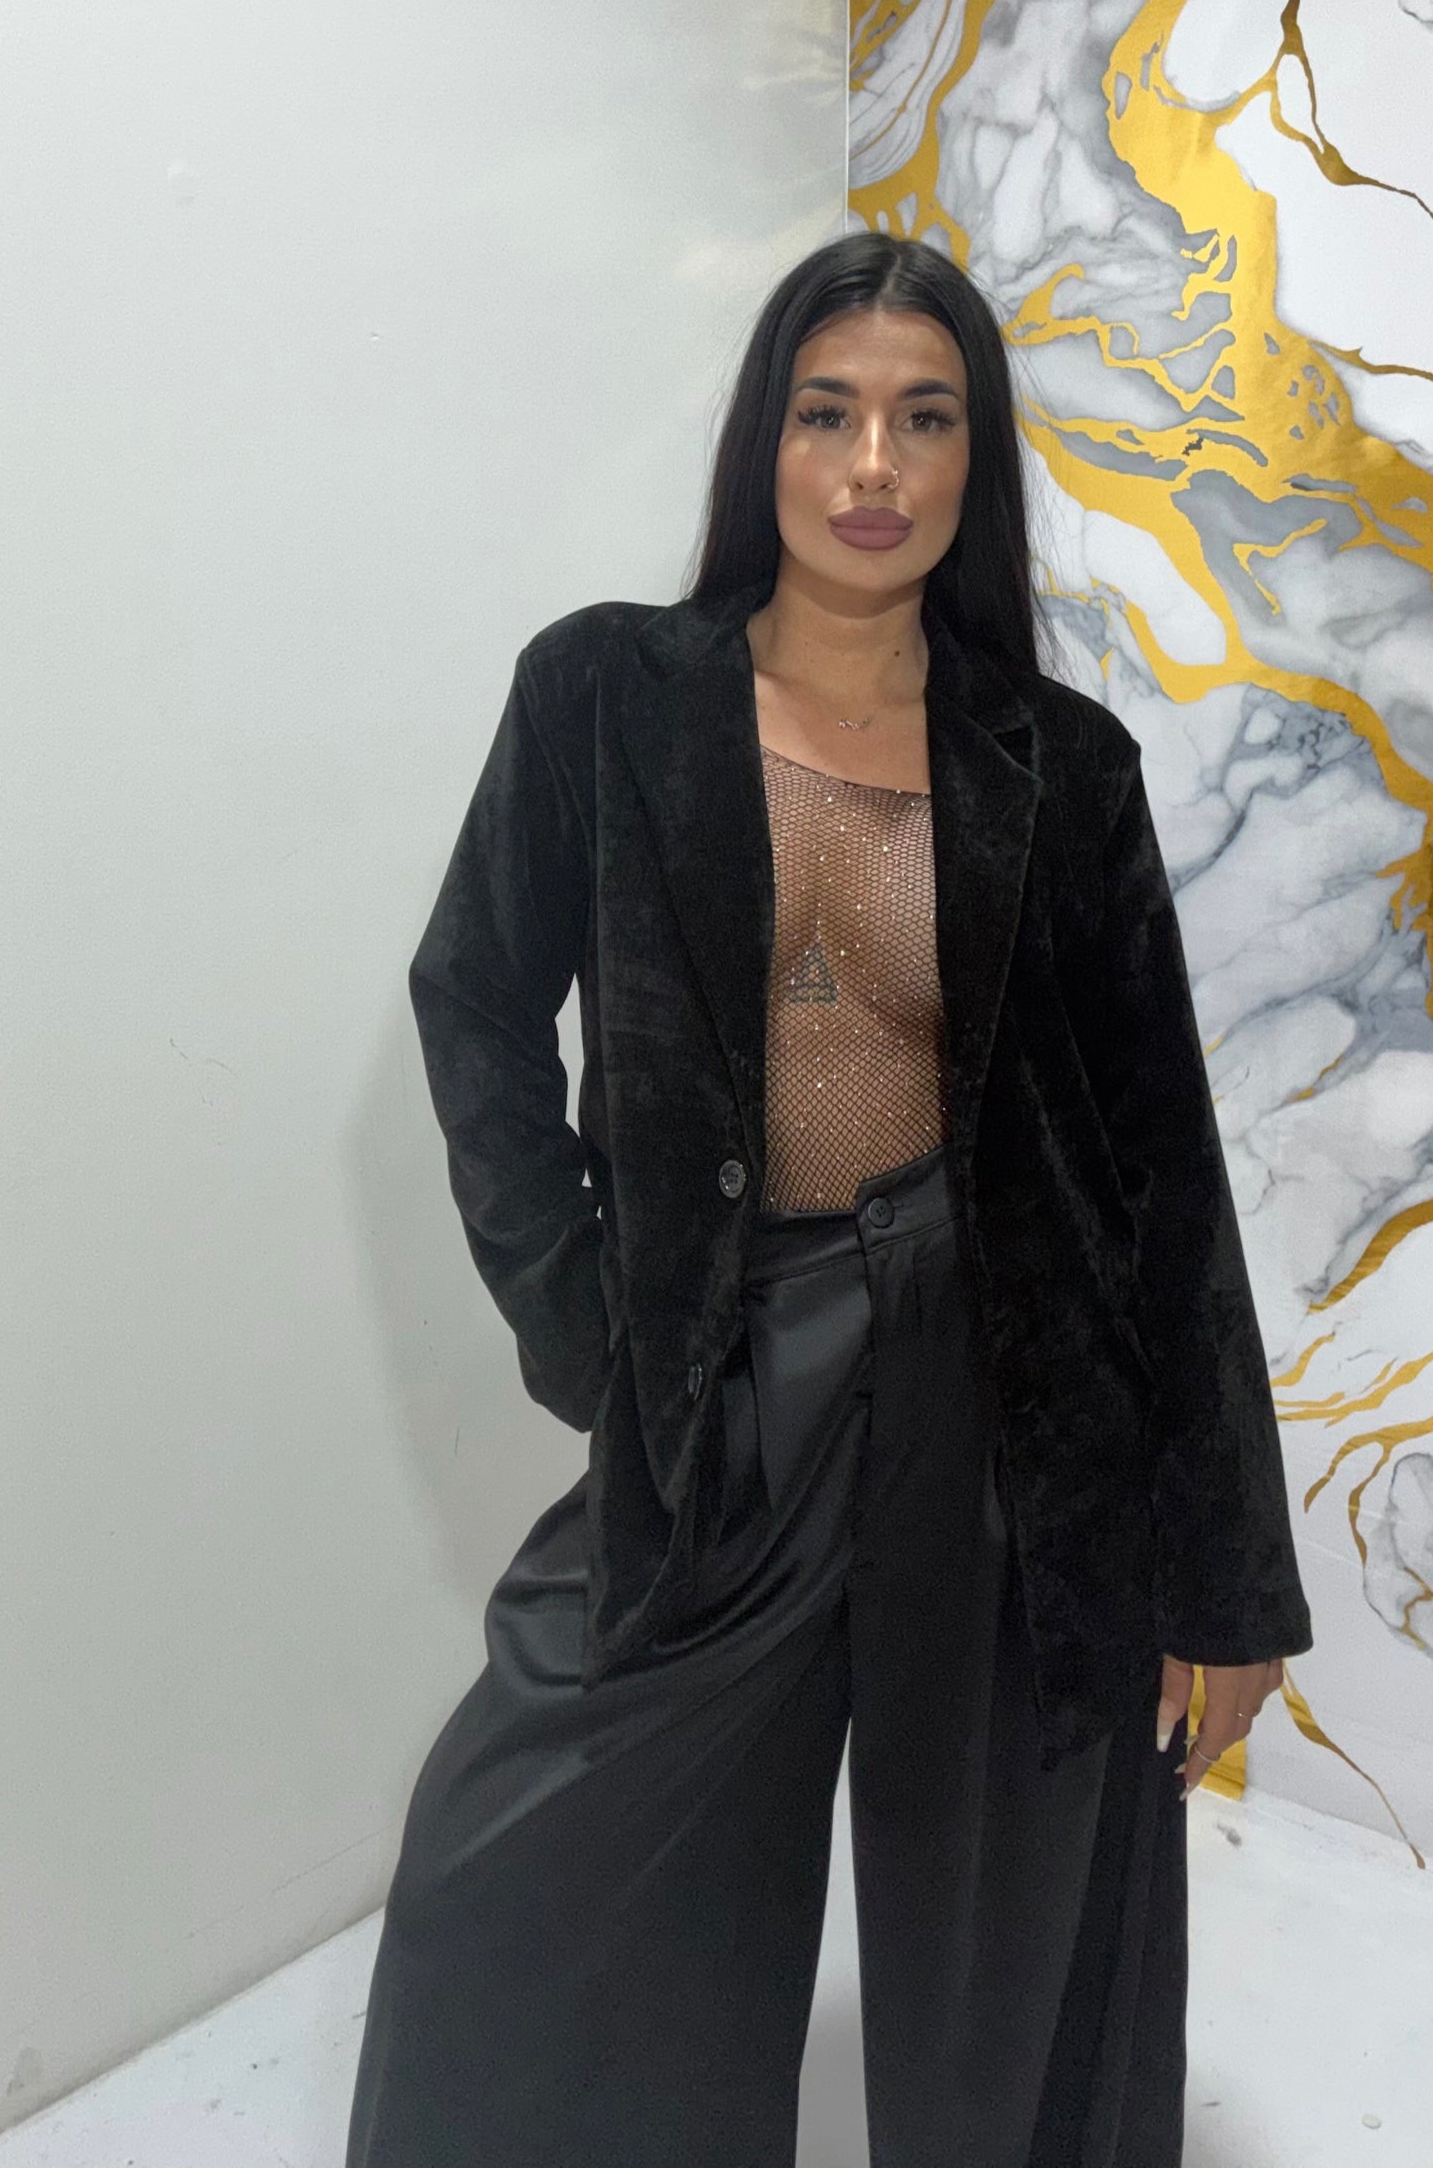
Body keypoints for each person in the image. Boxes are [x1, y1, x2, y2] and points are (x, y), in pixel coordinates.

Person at [345, 231, 1311, 2168]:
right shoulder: (607, 692)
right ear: (765, 442)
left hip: (1016, 1391)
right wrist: (592, 1326)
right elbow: (473, 1003)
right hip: (735, 1364)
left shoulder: (1062, 765)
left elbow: (1159, 1170)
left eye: (924, 417)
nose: (874, 462)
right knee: (524, 1847)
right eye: (828, 411)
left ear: (973, 459)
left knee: (1018, 1888)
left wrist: (1225, 1577)